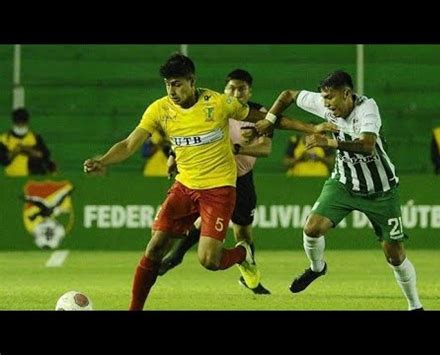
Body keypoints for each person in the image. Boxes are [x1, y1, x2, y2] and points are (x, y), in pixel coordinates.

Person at [83, 54, 330, 310]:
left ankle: (243, 253)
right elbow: (128, 143)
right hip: (185, 187)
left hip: (219, 189)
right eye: (168, 84)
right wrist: (103, 160)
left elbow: (269, 120)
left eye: (178, 83)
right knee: (155, 247)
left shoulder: (220, 103)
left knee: (209, 260)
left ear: (192, 81)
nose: (172, 90)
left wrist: (312, 129)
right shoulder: (159, 109)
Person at [257, 70, 423, 311]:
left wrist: (329, 142)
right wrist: (270, 119)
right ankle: (317, 268)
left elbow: (367, 146)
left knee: (395, 256)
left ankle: (414, 305)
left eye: (331, 98)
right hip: (344, 183)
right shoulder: (326, 103)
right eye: (324, 98)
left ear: (347, 94)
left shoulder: (367, 109)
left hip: (381, 190)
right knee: (312, 228)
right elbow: (288, 95)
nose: (326, 104)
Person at [158, 69, 276, 294]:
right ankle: (175, 256)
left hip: (241, 179)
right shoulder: (214, 109)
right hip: (212, 176)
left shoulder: (259, 114)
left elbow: (266, 149)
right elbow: (188, 133)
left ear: (249, 91)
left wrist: (239, 148)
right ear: (225, 90)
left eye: (241, 88)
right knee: (203, 220)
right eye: (231, 88)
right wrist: (173, 155)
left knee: (243, 234)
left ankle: (249, 276)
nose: (236, 92)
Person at [0, 108, 57, 176]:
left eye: (23, 123)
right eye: (18, 123)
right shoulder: (4, 139)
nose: (20, 126)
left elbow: (45, 156)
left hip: (32, 178)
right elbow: (3, 161)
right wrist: (15, 152)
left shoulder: (35, 138)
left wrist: (27, 149)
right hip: (12, 178)